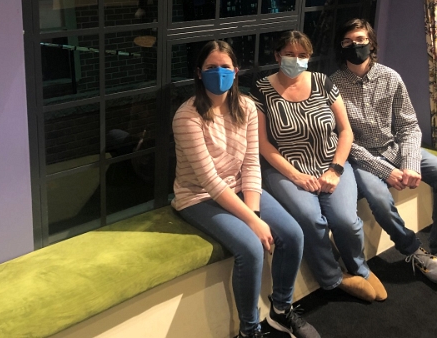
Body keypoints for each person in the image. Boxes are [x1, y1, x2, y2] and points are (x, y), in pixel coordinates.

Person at [172, 40, 321, 338]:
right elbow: (210, 182)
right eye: (211, 67)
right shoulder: (187, 117)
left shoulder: (247, 108)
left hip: (240, 188)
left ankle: (281, 310)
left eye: (225, 67)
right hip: (199, 196)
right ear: (199, 73)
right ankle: (249, 330)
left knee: (293, 234)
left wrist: (254, 213)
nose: (219, 73)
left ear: (236, 71)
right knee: (251, 248)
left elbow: (251, 164)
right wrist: (253, 221)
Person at [250, 31, 386, 303]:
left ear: (309, 57)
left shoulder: (323, 82)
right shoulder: (261, 90)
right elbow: (263, 144)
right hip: (286, 170)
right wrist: (296, 176)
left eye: (302, 55)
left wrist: (335, 170)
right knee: (310, 219)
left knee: (346, 221)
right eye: (289, 54)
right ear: (277, 56)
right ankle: (333, 277)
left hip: (330, 164)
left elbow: (345, 131)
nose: (296, 59)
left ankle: (359, 267)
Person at [331, 18, 437, 283]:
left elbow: (408, 125)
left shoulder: (390, 77)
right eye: (347, 42)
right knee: (379, 199)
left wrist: (410, 163)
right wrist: (385, 171)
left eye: (360, 40)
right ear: (340, 47)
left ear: (371, 43)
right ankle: (413, 249)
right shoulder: (333, 86)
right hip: (362, 159)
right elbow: (344, 140)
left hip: (395, 148)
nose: (354, 46)